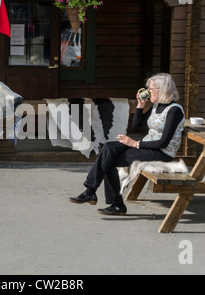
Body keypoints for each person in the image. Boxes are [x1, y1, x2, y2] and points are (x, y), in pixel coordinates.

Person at [69, 73, 185, 215]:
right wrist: (140, 105)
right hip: (147, 145)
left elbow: (163, 142)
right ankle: (91, 191)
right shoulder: (156, 106)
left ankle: (114, 204)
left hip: (162, 153)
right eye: (147, 89)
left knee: (109, 161)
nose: (147, 92)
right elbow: (137, 126)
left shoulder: (174, 110)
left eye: (151, 89)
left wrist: (135, 144)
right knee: (109, 148)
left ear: (162, 90)